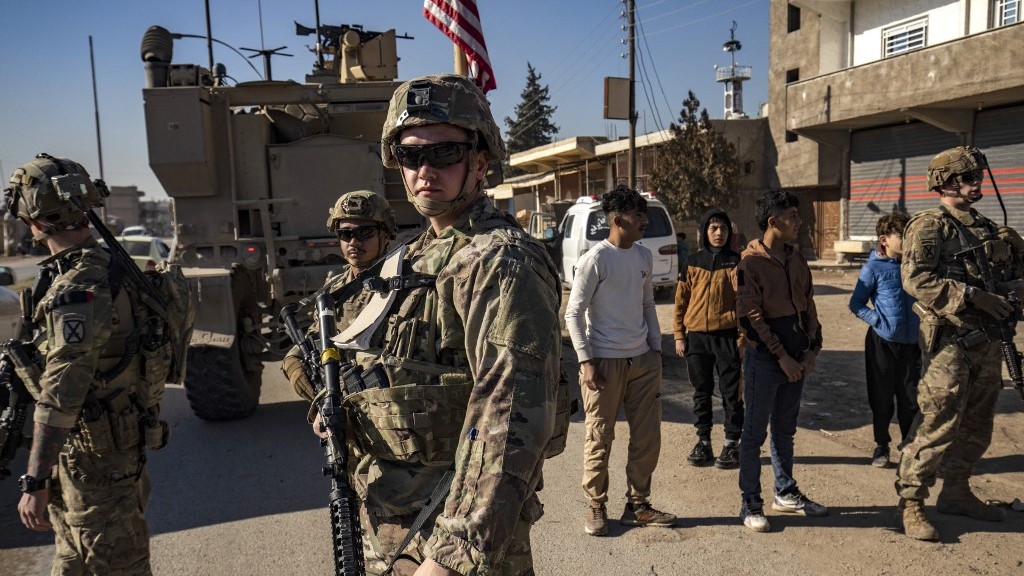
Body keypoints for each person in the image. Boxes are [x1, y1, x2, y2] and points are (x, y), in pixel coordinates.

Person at [317, 74, 561, 576]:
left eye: (445, 153)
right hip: (391, 522)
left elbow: (510, 413)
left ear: (480, 161)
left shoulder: (498, 261)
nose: (426, 169)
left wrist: (454, 556)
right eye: (410, 156)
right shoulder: (412, 257)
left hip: (451, 536)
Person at [5, 154, 168, 574]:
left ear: (33, 219)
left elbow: (61, 392)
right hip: (92, 456)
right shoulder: (101, 268)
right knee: (73, 563)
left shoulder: (81, 286)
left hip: (94, 464)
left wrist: (35, 481)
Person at [895, 145, 1023, 541]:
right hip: (950, 345)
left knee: (978, 425)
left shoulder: (988, 229)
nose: (976, 184)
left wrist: (1010, 293)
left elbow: (1009, 277)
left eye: (977, 177)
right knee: (937, 423)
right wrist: (970, 296)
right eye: (967, 178)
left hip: (988, 343)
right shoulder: (931, 225)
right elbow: (916, 279)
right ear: (945, 183)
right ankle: (912, 502)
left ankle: (956, 491)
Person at [565, 185, 676, 537]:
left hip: (643, 361)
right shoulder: (595, 259)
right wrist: (586, 361)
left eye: (644, 213)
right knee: (600, 436)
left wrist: (656, 350)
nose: (645, 220)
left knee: (647, 436)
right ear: (617, 220)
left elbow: (647, 305)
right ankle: (596, 505)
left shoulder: (643, 257)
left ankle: (638, 505)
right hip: (604, 363)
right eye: (638, 215)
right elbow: (573, 313)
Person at [735, 190, 827, 533]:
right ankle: (750, 501)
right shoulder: (750, 264)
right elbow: (751, 319)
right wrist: (782, 357)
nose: (799, 223)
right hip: (766, 362)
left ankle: (785, 492)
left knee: (785, 430)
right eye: (792, 216)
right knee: (754, 433)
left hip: (797, 360)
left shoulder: (796, 258)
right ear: (774, 222)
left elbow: (809, 304)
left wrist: (811, 348)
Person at [281, 189, 397, 401]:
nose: (353, 241)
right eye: (345, 234)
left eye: (365, 233)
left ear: (385, 233)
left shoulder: (400, 282)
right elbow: (317, 339)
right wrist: (294, 362)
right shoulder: (335, 287)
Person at [848, 212, 921, 468]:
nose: (908, 241)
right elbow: (856, 303)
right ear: (885, 239)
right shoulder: (873, 268)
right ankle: (881, 446)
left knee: (911, 399)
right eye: (902, 236)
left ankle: (910, 449)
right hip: (882, 342)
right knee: (881, 397)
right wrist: (877, 320)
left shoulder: (916, 266)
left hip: (913, 345)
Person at [674, 208, 743, 469]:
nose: (718, 233)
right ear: (705, 231)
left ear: (729, 232)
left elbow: (744, 303)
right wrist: (680, 336)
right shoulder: (692, 262)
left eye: (723, 228)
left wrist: (743, 338)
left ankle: (731, 443)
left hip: (727, 337)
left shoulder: (737, 262)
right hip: (697, 339)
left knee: (731, 393)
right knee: (701, 392)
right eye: (713, 228)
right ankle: (703, 442)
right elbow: (680, 302)